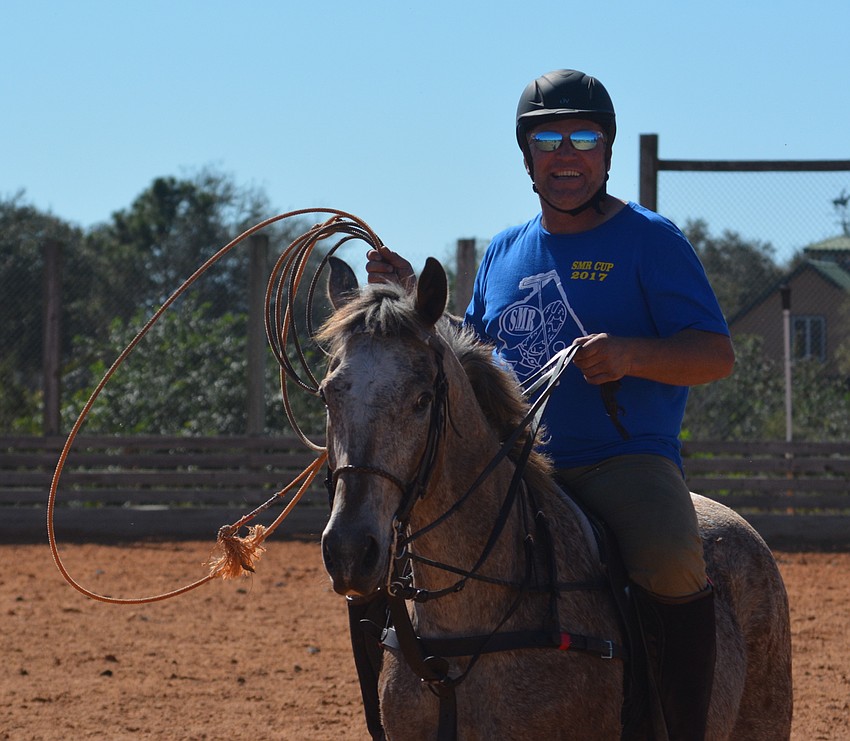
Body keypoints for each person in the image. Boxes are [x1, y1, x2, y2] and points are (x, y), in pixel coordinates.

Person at [366, 69, 734, 740]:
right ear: (527, 154)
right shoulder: (506, 250)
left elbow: (715, 354)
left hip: (620, 463)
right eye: (548, 138)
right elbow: (466, 360)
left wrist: (629, 354)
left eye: (583, 136)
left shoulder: (652, 241)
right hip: (508, 467)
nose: (566, 153)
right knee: (380, 564)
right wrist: (410, 298)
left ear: (607, 150)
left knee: (673, 559)